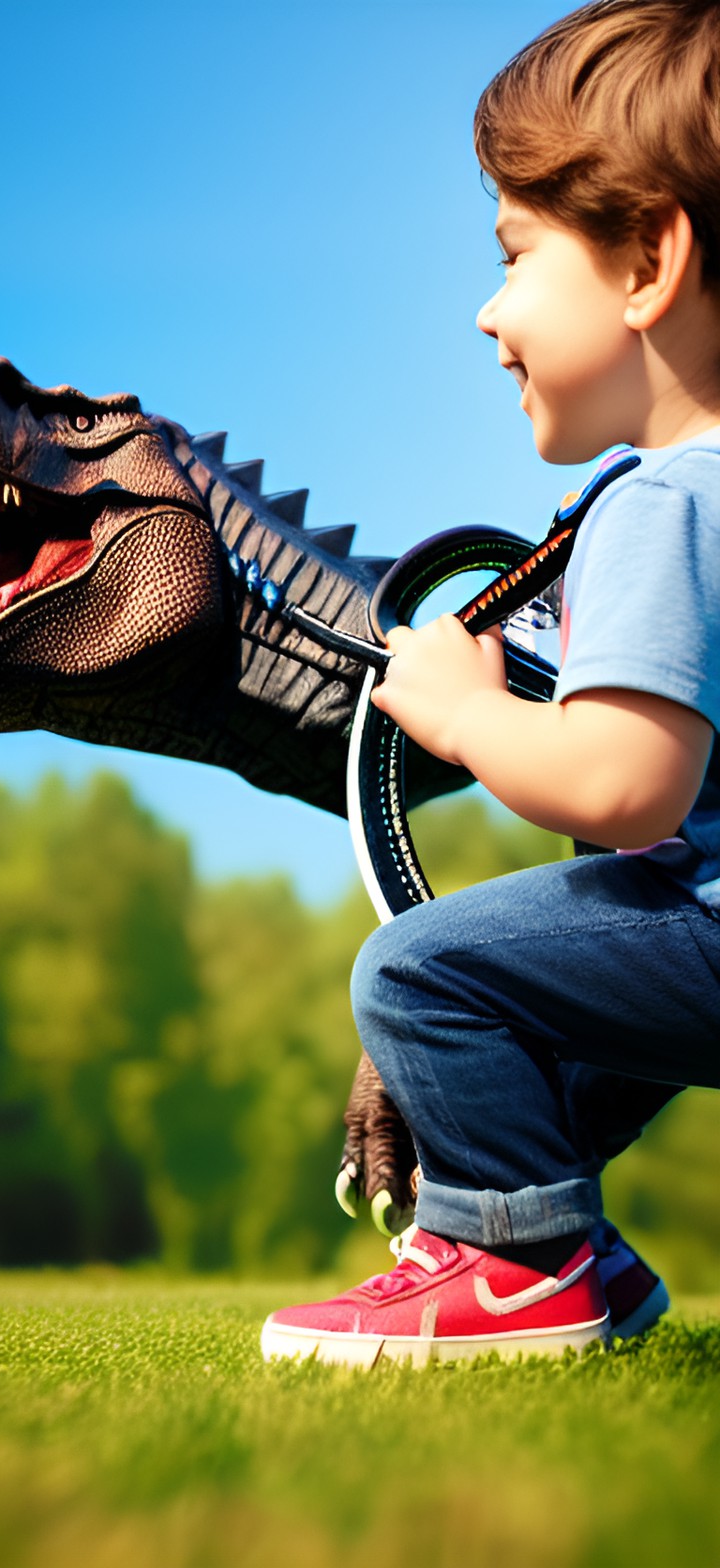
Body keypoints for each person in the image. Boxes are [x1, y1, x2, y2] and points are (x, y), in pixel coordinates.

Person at [262, 0, 720, 1368]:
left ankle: (520, 1265)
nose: (485, 310)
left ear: (649, 259)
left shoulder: (657, 502)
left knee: (421, 976)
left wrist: (468, 710)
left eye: (515, 255)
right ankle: (581, 1257)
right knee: (549, 1028)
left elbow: (632, 791)